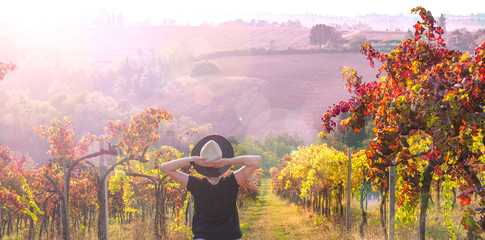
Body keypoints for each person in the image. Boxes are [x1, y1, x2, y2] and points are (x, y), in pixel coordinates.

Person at [160, 135, 261, 240]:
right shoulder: (232, 181)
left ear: (201, 166)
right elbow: (256, 160)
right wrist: (228, 161)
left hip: (203, 237)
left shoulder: (195, 184)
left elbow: (165, 167)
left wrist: (192, 159)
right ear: (222, 165)